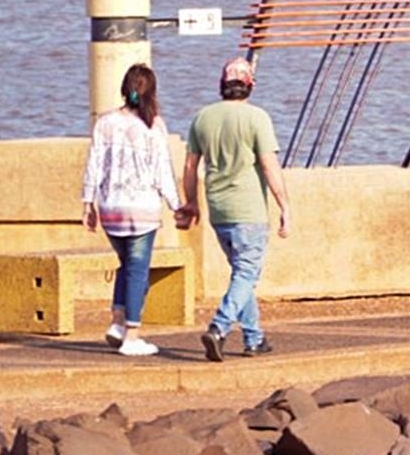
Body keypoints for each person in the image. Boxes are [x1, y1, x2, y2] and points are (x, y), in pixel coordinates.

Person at [178, 57, 290, 362]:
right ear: (250, 86)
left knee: (242, 274)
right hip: (249, 209)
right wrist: (284, 206)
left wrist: (191, 203)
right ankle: (219, 327)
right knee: (246, 273)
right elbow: (269, 165)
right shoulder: (257, 118)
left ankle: (254, 338)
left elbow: (189, 167)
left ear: (222, 85)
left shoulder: (203, 118)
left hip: (219, 210)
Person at [81, 63, 182, 356]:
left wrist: (88, 203)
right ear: (152, 92)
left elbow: (94, 165)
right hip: (142, 210)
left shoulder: (105, 122)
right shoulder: (154, 125)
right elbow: (163, 171)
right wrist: (177, 206)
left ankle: (117, 323)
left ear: (125, 90)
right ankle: (132, 336)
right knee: (138, 271)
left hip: (111, 208)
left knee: (127, 266)